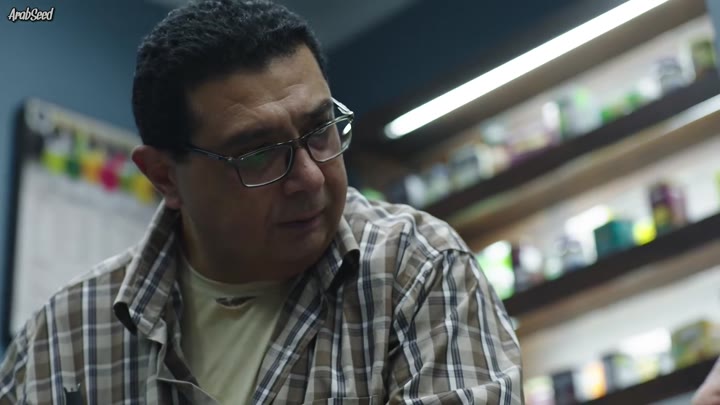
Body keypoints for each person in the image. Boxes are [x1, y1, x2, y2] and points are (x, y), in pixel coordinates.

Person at [0, 0, 523, 403]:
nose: (309, 178)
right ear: (165, 176)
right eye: (258, 154)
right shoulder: (58, 343)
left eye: (321, 128)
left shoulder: (418, 272)